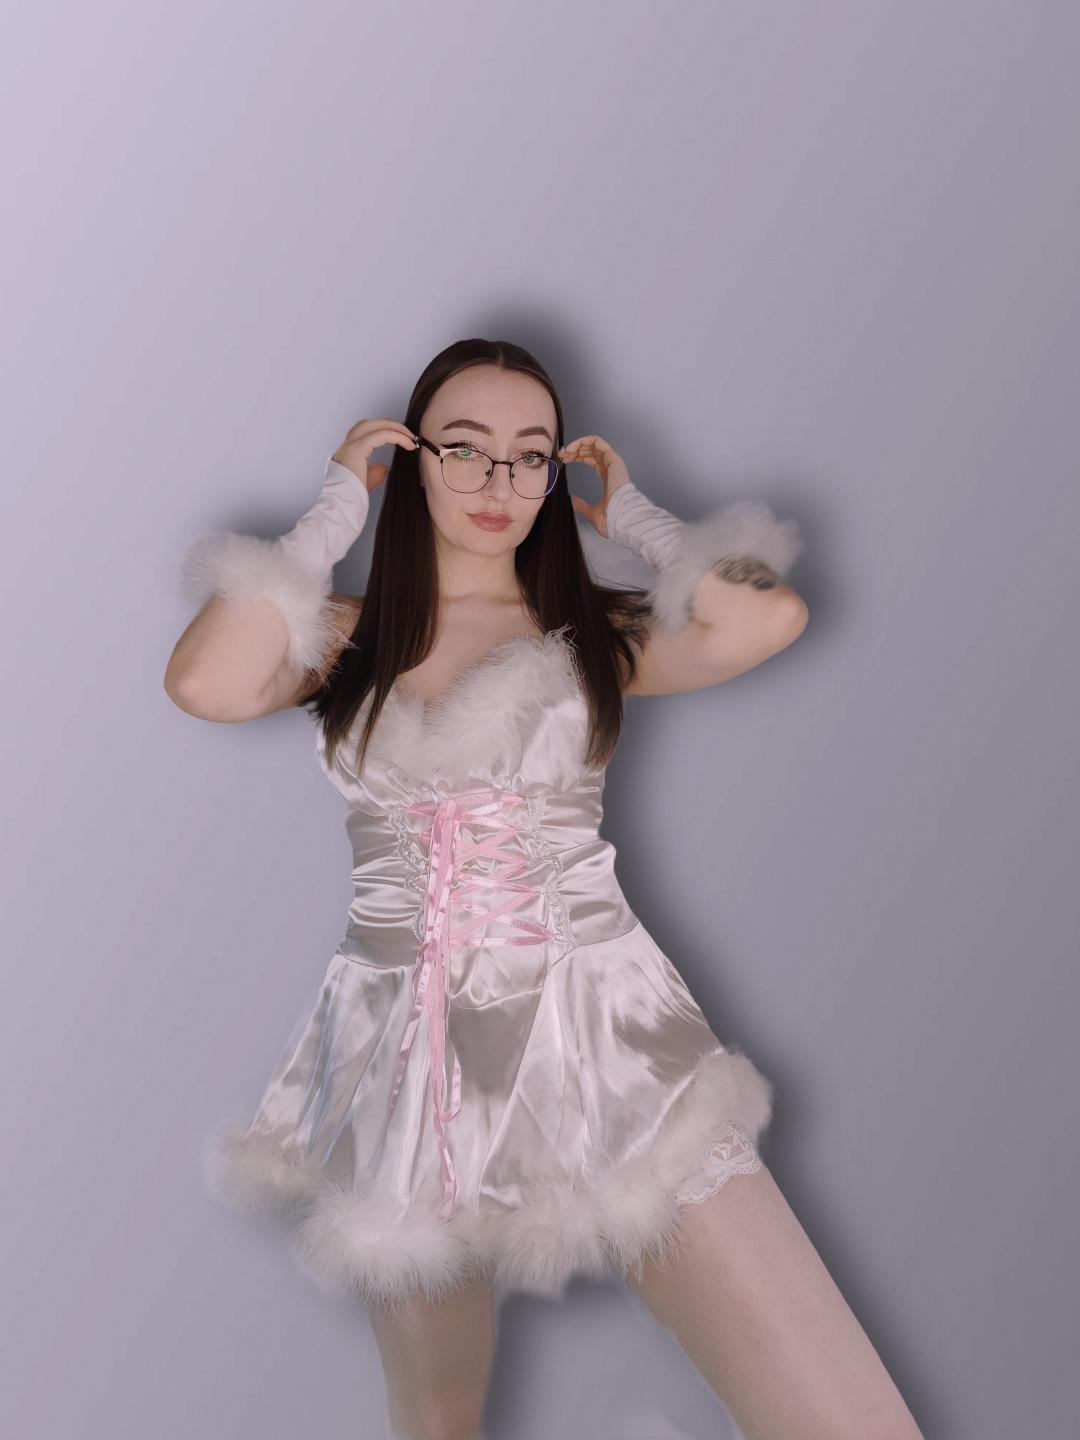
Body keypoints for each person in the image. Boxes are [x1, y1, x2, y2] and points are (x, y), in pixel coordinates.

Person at [166, 338, 923, 1440]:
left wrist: (640, 521)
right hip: (404, 1052)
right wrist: (333, 511)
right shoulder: (344, 639)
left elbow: (767, 617)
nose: (499, 482)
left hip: (601, 1031)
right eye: (464, 449)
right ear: (412, 462)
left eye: (530, 456)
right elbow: (204, 680)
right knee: (437, 1419)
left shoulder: (594, 633)